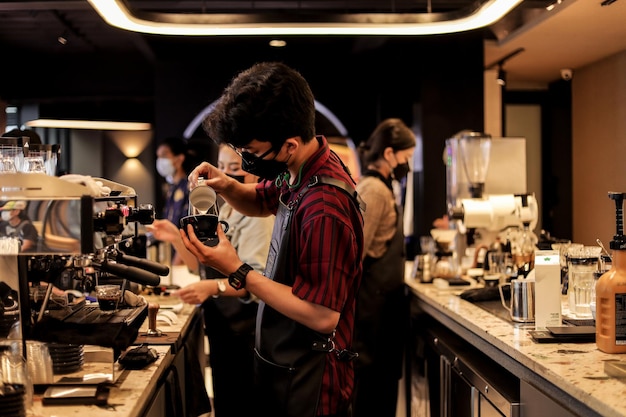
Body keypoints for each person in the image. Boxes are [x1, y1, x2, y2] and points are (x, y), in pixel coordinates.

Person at [179, 62, 364, 417]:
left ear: (290, 144)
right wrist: (226, 183)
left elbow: (323, 315)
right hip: (283, 363)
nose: (247, 164)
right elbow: (262, 200)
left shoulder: (325, 205)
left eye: (252, 153)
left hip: (312, 380)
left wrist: (236, 270)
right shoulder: (299, 168)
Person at [149, 143, 274, 417]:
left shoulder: (257, 218)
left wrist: (212, 287)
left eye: (235, 168)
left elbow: (258, 282)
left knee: (241, 402)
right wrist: (174, 236)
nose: (227, 176)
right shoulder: (224, 209)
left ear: (253, 170)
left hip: (245, 329)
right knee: (226, 399)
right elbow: (201, 265)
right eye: (222, 167)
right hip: (224, 326)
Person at [352, 118, 416, 417]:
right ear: (389, 154)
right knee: (374, 393)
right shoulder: (374, 191)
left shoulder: (380, 186)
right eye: (407, 157)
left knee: (381, 388)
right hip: (371, 311)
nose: (408, 164)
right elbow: (356, 253)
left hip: (381, 307)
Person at [155, 136, 192, 265]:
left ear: (179, 158)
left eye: (165, 155)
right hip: (169, 253)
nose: (160, 160)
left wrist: (176, 263)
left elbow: (187, 230)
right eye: (159, 156)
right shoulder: (171, 189)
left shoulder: (189, 187)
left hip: (184, 259)